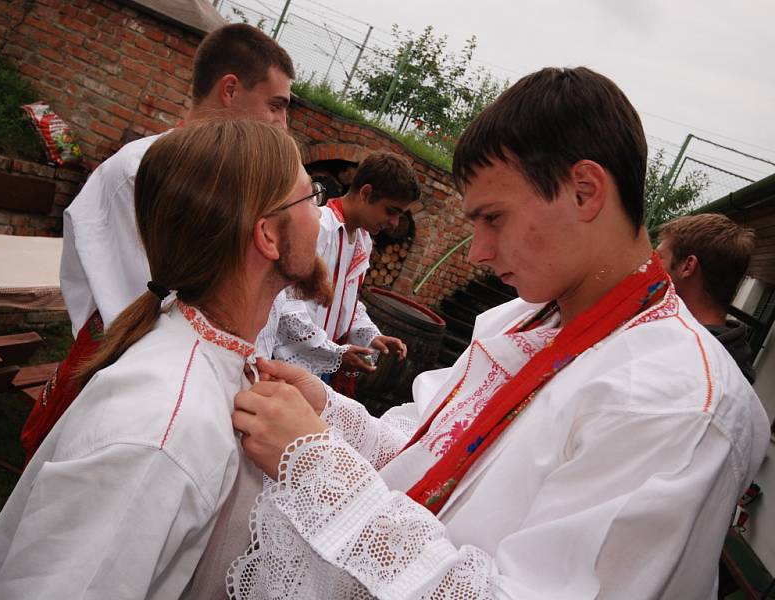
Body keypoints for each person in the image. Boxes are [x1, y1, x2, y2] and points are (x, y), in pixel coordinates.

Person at [226, 67, 770, 599]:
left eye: (494, 219)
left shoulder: (673, 402)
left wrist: (319, 468)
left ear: (584, 191)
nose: (481, 253)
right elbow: (426, 453)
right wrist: (325, 411)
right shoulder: (522, 318)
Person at [0, 120, 330, 598]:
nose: (321, 215)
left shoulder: (205, 361)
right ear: (267, 236)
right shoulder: (163, 429)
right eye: (311, 197)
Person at [20, 23, 295, 460]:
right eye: (276, 106)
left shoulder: (223, 181)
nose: (283, 124)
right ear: (229, 90)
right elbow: (136, 302)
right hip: (131, 380)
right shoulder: (141, 170)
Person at [272, 152, 418, 385]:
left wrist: (371, 335)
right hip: (282, 361)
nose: (394, 223)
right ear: (366, 193)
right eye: (391, 211)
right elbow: (285, 302)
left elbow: (345, 302)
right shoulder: (319, 226)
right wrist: (334, 352)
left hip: (318, 367)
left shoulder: (363, 240)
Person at [657, 213, 757, 382]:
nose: (650, 265)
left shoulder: (690, 367)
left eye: (659, 257)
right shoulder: (727, 362)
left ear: (687, 266)